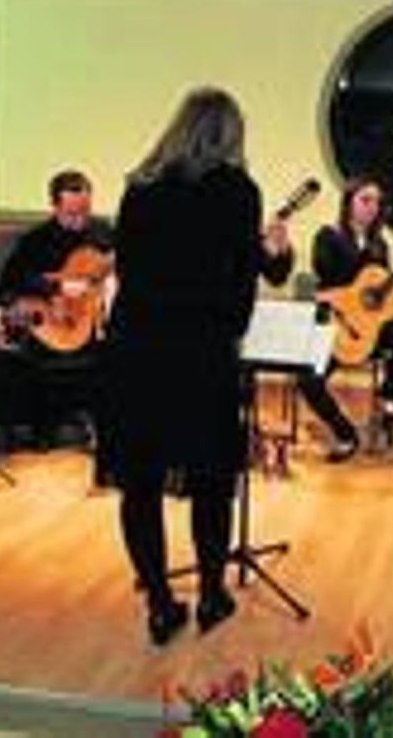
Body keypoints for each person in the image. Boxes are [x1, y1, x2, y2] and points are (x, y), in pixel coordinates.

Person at [104, 87, 266, 646]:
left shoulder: (139, 188)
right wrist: (230, 328)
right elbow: (242, 280)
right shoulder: (238, 191)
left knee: (140, 484)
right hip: (201, 352)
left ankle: (159, 601)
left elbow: (126, 268)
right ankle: (213, 594)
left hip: (136, 350)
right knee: (211, 481)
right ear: (228, 134)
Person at [0, 170, 114, 448]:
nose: (79, 220)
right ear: (54, 207)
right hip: (54, 321)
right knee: (36, 351)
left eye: (84, 211)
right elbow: (12, 280)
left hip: (94, 319)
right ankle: (44, 426)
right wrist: (56, 290)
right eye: (70, 213)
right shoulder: (36, 240)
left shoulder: (103, 233)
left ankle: (104, 427)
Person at [304, 177, 393, 461]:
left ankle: (388, 398)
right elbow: (328, 273)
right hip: (337, 326)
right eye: (365, 200)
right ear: (349, 203)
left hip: (370, 332)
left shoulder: (381, 245)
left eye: (376, 202)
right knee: (308, 381)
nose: (372, 207)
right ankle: (345, 434)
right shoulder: (327, 236)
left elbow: (383, 295)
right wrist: (367, 264)